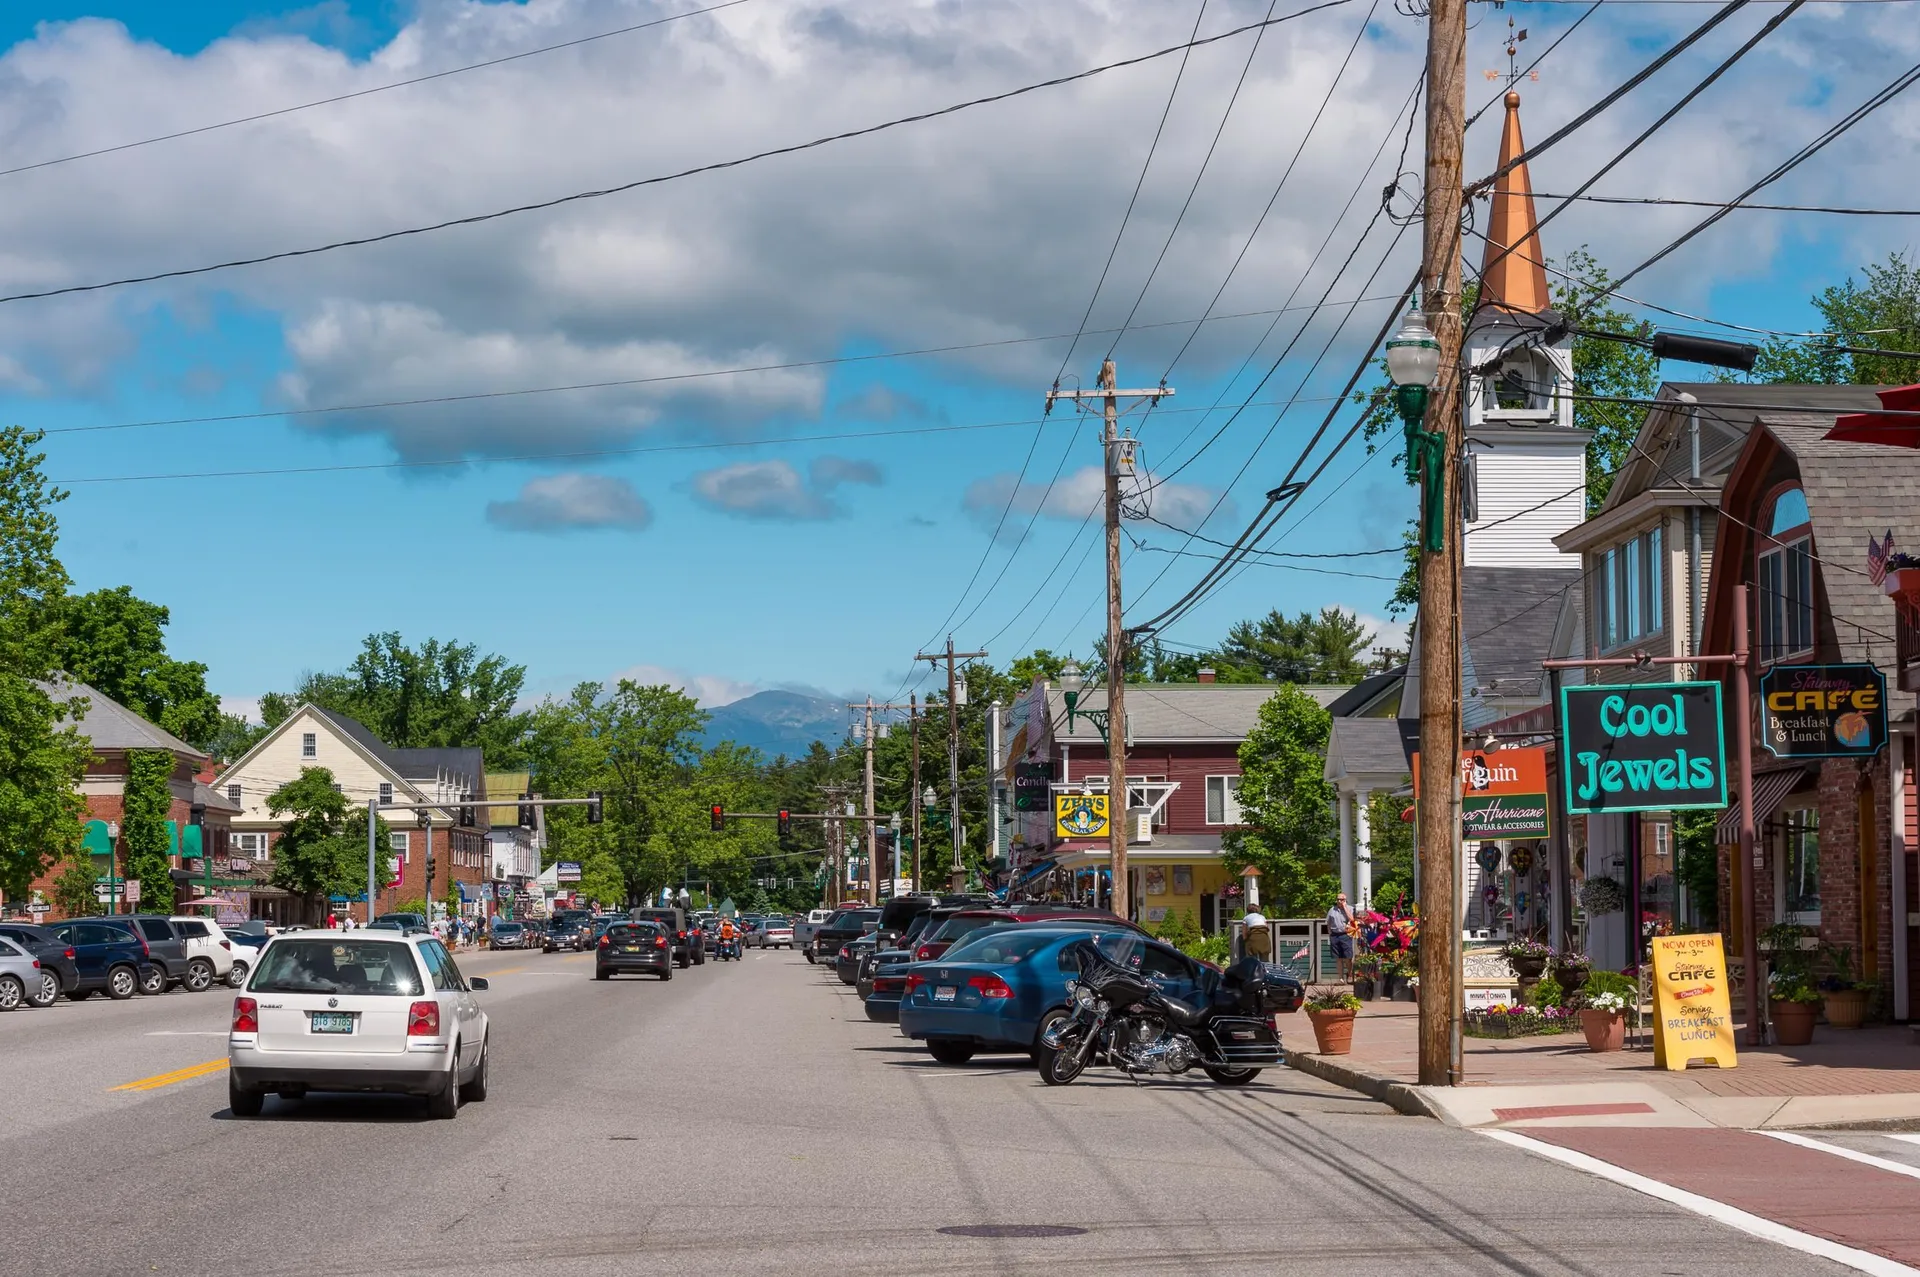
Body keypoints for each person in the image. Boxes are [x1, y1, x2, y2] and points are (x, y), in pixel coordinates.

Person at [1327, 892, 1358, 982]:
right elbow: (1328, 923)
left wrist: (1345, 907)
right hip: (1335, 935)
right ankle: (1340, 978)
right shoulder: (1332, 910)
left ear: (1345, 900)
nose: (1339, 901)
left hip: (1346, 935)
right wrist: (1330, 934)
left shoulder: (1350, 908)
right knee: (1338, 958)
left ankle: (1349, 974)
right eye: (1338, 899)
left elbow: (1352, 919)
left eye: (1342, 899)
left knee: (1348, 957)